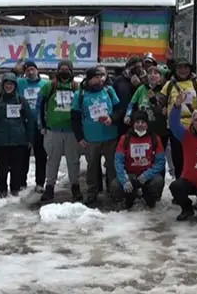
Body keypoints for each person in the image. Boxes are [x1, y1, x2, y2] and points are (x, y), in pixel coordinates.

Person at [71, 68, 120, 206]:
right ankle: (92, 193)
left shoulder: (109, 91)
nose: (99, 80)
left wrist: (112, 118)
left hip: (110, 135)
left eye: (101, 77)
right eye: (96, 77)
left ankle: (114, 191)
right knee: (92, 167)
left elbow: (119, 109)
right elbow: (74, 117)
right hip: (91, 138)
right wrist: (79, 137)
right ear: (89, 78)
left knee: (112, 166)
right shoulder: (80, 94)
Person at [38, 60, 82, 203]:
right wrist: (42, 126)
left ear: (71, 71)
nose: (64, 71)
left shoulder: (77, 87)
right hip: (53, 130)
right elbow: (39, 106)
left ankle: (75, 187)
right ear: (57, 71)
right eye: (61, 69)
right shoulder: (49, 86)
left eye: (67, 69)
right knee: (52, 161)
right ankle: (49, 187)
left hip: (72, 131)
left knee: (73, 161)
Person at [0, 73, 36, 198]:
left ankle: (15, 188)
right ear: (3, 85)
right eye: (7, 83)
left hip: (19, 140)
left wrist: (30, 138)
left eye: (11, 84)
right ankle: (2, 189)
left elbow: (29, 119)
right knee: (2, 168)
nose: (9, 86)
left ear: (15, 85)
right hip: (0, 140)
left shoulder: (21, 100)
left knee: (17, 167)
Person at [162, 58, 197, 178]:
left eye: (186, 67)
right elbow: (161, 101)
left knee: (195, 156)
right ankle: (180, 183)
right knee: (177, 157)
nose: (183, 70)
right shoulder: (169, 84)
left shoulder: (196, 83)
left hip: (195, 126)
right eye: (180, 68)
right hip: (175, 126)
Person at [112, 111, 166, 209]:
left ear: (147, 124)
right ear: (133, 124)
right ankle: (129, 198)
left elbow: (161, 161)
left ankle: (150, 198)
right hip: (130, 175)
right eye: (137, 122)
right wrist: (124, 180)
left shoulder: (155, 138)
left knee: (158, 181)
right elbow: (118, 161)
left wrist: (147, 175)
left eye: (143, 122)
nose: (140, 125)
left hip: (148, 176)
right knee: (115, 184)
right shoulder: (125, 139)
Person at [16, 61, 48, 192]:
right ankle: (21, 182)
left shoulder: (45, 84)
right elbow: (8, 81)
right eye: (27, 70)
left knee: (41, 155)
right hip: (24, 124)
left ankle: (40, 182)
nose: (30, 72)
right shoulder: (20, 83)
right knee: (23, 155)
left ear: (37, 70)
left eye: (32, 69)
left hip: (40, 124)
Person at [125, 65, 169, 150]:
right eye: (150, 73)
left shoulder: (164, 89)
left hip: (161, 129)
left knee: (160, 154)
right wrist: (127, 115)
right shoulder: (141, 88)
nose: (152, 75)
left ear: (160, 77)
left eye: (156, 73)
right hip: (143, 128)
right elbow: (131, 104)